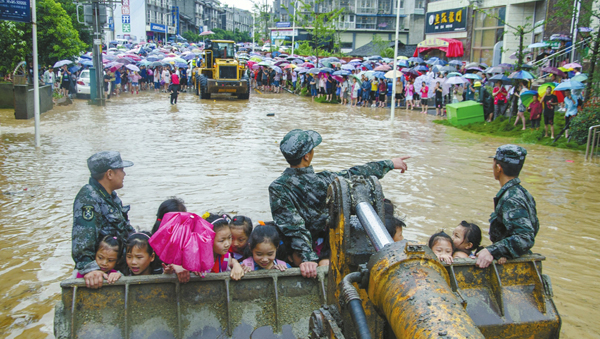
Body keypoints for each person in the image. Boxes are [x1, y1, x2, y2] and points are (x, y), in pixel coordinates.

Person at [269, 129, 410, 278]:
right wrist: (389, 164)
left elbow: (292, 225)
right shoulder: (326, 180)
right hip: (324, 246)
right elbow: (356, 173)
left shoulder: (277, 187)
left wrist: (307, 257)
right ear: (307, 156)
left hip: (295, 252)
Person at [72, 151, 134, 289]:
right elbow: (82, 239)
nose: (124, 174)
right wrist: (90, 269)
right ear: (110, 174)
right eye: (121, 170)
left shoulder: (111, 197)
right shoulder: (88, 198)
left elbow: (127, 229)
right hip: (105, 275)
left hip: (118, 270)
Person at [476, 145, 539, 268]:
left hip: (514, 265)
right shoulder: (522, 192)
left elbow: (525, 238)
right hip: (513, 257)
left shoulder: (511, 198)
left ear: (498, 168)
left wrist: (492, 251)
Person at [205, 214, 245, 280]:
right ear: (209, 240)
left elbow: (232, 260)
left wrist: (236, 265)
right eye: (222, 240)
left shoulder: (226, 258)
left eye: (229, 237)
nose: (227, 244)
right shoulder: (198, 259)